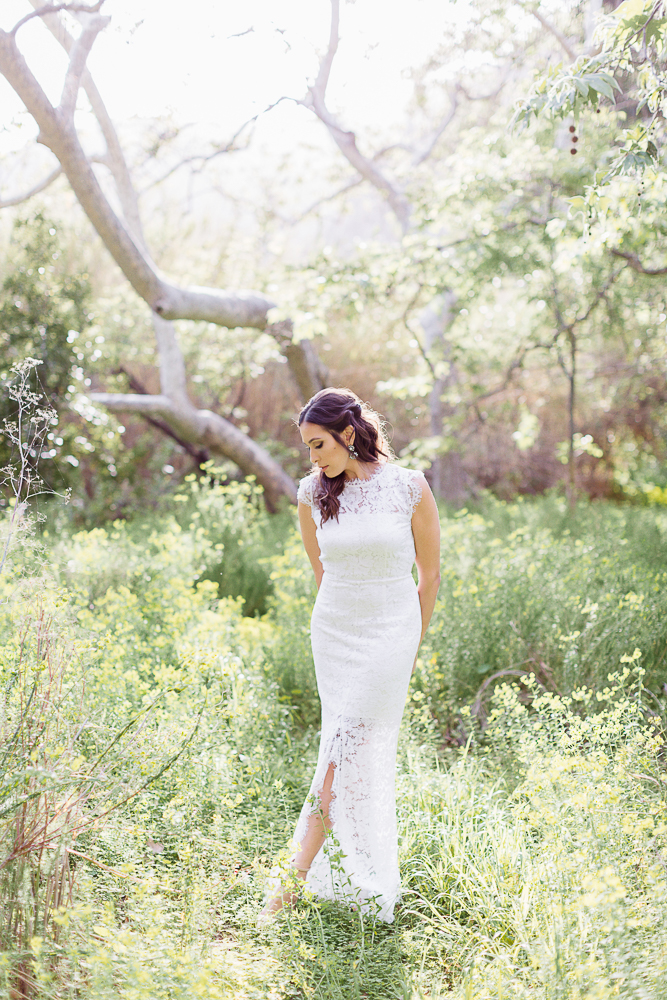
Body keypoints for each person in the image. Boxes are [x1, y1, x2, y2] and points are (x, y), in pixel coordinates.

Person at [259, 387, 441, 924]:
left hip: (391, 632)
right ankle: (346, 875)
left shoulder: (409, 487)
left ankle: (286, 886)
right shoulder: (310, 493)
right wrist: (334, 623)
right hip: (336, 632)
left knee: (342, 750)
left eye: (319, 444)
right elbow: (323, 574)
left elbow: (429, 577)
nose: (313, 458)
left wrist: (412, 646)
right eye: (307, 448)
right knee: (342, 750)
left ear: (349, 432)